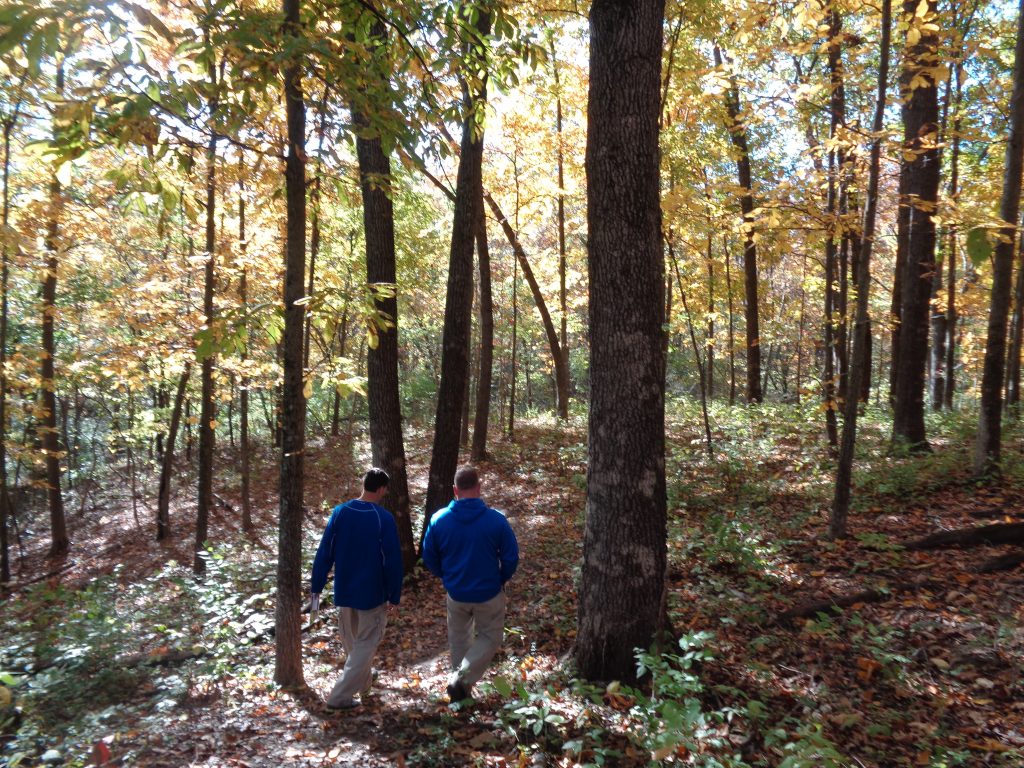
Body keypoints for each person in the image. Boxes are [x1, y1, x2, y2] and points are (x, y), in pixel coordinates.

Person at [422, 465, 519, 703]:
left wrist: (446, 576)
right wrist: (501, 578)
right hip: (488, 593)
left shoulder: (439, 520)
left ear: (455, 490)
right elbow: (510, 557)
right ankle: (461, 683)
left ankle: (460, 690)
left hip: (456, 593)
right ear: (479, 487)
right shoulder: (495, 520)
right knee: (490, 637)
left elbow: (429, 556)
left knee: (459, 640)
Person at [310, 467, 403, 711]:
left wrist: (317, 585)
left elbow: (325, 552)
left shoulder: (341, 513)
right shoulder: (382, 518)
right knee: (364, 646)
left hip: (345, 592)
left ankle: (364, 685)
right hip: (371, 594)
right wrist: (394, 594)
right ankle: (339, 697)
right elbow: (392, 559)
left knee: (354, 646)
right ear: (381, 489)